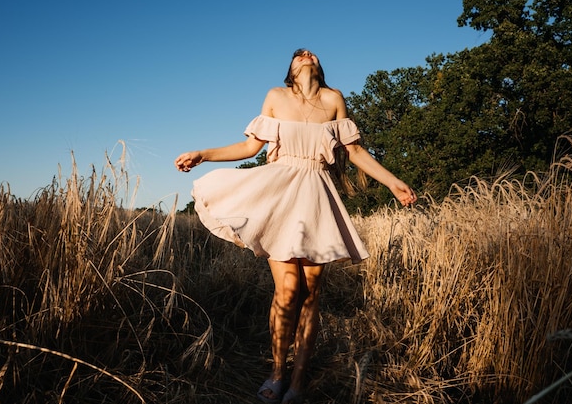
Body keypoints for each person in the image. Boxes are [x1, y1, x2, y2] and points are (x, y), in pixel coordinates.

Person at [174, 49, 416, 404]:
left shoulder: (334, 100)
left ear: (318, 66)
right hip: (280, 196)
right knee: (288, 291)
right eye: (297, 55)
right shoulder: (276, 96)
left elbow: (356, 152)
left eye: (310, 53)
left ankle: (300, 379)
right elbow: (249, 146)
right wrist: (203, 153)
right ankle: (277, 371)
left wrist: (393, 183)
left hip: (317, 198)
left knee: (311, 295)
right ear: (290, 69)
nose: (305, 55)